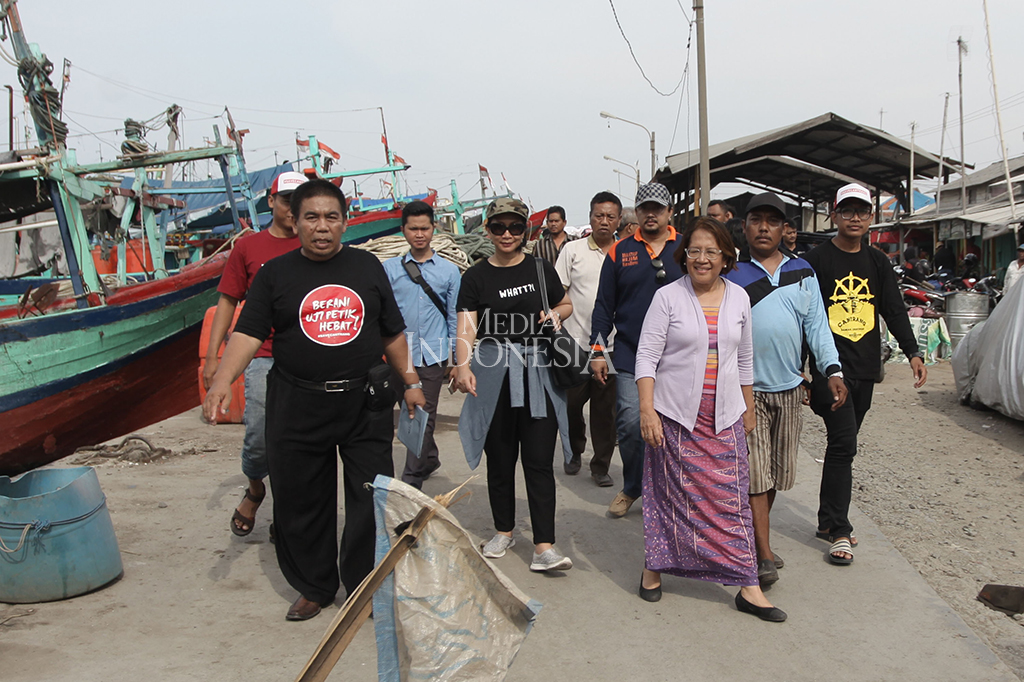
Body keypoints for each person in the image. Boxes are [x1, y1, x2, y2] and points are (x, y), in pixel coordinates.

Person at [202, 179, 426, 621]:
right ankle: (315, 585)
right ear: (294, 220)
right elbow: (247, 333)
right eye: (311, 217)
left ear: (344, 222)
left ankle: (362, 584)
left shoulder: (366, 267)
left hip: (363, 404)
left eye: (331, 217)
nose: (321, 227)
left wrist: (411, 381)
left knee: (370, 498)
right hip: (298, 403)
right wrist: (222, 378)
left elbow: (392, 332)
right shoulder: (274, 274)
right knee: (302, 500)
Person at [635, 216, 786, 622]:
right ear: (684, 256)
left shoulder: (739, 297)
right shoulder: (667, 297)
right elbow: (646, 357)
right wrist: (647, 410)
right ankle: (654, 568)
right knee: (669, 497)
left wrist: (748, 407)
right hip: (674, 416)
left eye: (711, 252)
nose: (702, 259)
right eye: (695, 251)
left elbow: (745, 357)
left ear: (725, 257)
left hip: (725, 416)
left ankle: (748, 586)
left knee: (731, 502)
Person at [725, 192, 847, 586]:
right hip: (746, 392)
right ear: (745, 227)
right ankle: (761, 553)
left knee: (776, 474)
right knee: (756, 473)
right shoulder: (731, 273)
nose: (764, 228)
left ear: (784, 229)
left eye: (772, 221)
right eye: (756, 220)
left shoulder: (802, 271)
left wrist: (831, 369)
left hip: (790, 390)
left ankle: (754, 538)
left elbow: (817, 327)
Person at [804, 183, 927, 565]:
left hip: (866, 369)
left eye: (861, 211)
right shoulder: (816, 261)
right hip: (830, 370)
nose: (854, 218)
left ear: (871, 217)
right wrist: (802, 371)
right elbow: (803, 317)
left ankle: (827, 519)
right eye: (847, 211)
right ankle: (840, 530)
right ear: (834, 215)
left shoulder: (877, 262)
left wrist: (913, 352)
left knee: (842, 446)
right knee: (844, 444)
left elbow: (893, 309)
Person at [454, 197, 576, 572]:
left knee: (539, 461)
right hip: (493, 375)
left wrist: (555, 314)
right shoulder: (475, 276)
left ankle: (544, 546)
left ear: (525, 230)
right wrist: (462, 365)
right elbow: (466, 325)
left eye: (515, 227)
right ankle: (503, 531)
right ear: (488, 230)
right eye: (498, 227)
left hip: (538, 372)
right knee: (500, 460)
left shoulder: (540, 268)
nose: (507, 234)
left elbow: (566, 303)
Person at [202, 170, 306, 537]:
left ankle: (286, 513)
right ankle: (256, 488)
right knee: (260, 434)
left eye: (299, 202)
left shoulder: (315, 245)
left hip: (306, 356)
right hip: (260, 353)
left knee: (300, 440)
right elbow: (228, 301)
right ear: (271, 201)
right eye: (286, 201)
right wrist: (214, 359)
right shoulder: (248, 249)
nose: (292, 209)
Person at [591, 182, 684, 518]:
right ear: (637, 212)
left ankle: (672, 491)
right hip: (631, 353)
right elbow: (604, 305)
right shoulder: (620, 252)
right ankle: (633, 486)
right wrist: (597, 351)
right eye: (645, 208)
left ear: (669, 212)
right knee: (631, 424)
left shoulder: (686, 248)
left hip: (679, 356)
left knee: (677, 428)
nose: (651, 214)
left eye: (657, 208)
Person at [383, 200, 461, 489]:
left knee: (420, 417)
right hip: (396, 356)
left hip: (432, 356)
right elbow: (381, 315)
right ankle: (429, 458)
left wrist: (457, 360)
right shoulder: (389, 270)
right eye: (413, 229)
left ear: (433, 229)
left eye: (424, 228)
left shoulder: (449, 272)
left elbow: (455, 317)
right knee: (400, 412)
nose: (419, 234)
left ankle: (410, 482)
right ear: (403, 230)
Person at [555, 191, 620, 486]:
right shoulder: (573, 251)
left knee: (605, 412)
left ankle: (600, 466)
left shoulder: (625, 253)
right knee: (571, 405)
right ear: (590, 217)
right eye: (599, 215)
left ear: (618, 220)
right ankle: (574, 449)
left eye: (610, 216)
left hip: (612, 346)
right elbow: (558, 292)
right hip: (574, 344)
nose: (604, 221)